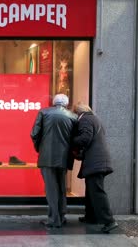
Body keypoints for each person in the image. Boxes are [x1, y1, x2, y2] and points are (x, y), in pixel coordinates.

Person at [30, 94, 77, 228]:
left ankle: (53, 219)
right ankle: (61, 216)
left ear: (54, 102)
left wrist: (40, 148)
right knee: (61, 187)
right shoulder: (73, 117)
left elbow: (34, 134)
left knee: (51, 189)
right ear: (66, 103)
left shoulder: (44, 112)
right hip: (64, 157)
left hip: (47, 157)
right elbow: (74, 139)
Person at [72, 102, 118, 233]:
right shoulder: (95, 118)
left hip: (96, 162)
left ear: (77, 112)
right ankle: (91, 217)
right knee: (91, 190)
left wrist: (71, 141)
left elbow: (85, 138)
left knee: (97, 192)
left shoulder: (85, 119)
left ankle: (109, 221)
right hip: (99, 161)